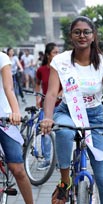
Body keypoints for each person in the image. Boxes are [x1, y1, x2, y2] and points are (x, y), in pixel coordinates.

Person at [40, 16, 103, 204]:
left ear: (93, 35)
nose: (82, 36)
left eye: (86, 32)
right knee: (65, 132)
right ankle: (65, 180)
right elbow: (51, 93)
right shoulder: (61, 60)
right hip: (67, 112)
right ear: (71, 36)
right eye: (77, 32)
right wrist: (48, 117)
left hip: (95, 117)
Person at [0, 51, 40, 204]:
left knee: (17, 169)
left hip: (4, 119)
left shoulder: (2, 58)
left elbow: (9, 88)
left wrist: (15, 112)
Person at [35, 42, 60, 170]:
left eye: (58, 52)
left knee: (60, 133)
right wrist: (37, 98)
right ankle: (46, 159)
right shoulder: (42, 70)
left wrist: (57, 95)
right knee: (45, 132)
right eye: (55, 52)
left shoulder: (62, 68)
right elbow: (37, 83)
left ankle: (59, 160)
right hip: (45, 106)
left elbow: (67, 86)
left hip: (61, 106)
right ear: (48, 55)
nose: (57, 55)